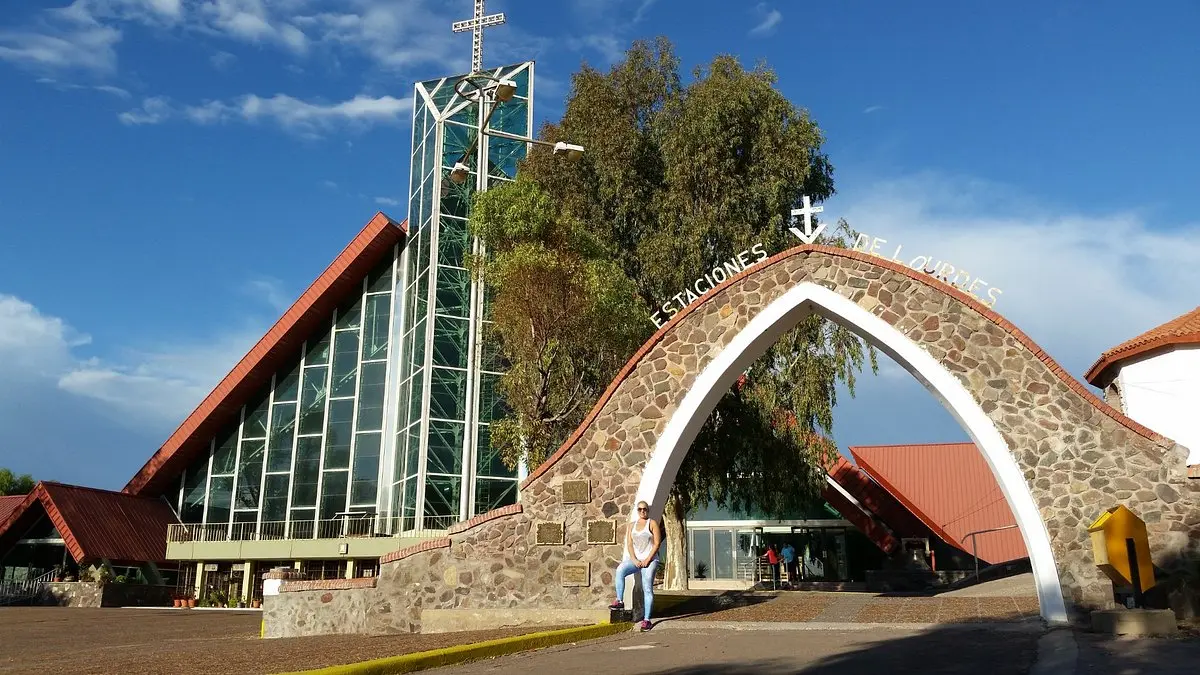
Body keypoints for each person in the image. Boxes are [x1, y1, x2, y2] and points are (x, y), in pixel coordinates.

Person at [609, 500, 662, 631]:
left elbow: (657, 543)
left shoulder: (652, 523)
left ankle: (647, 620)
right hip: (636, 560)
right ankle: (620, 600)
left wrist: (647, 560)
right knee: (621, 569)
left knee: (647, 587)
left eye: (644, 509)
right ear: (637, 511)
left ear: (647, 510)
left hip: (650, 560)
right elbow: (629, 544)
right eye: (640, 509)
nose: (642, 511)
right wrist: (634, 559)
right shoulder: (631, 525)